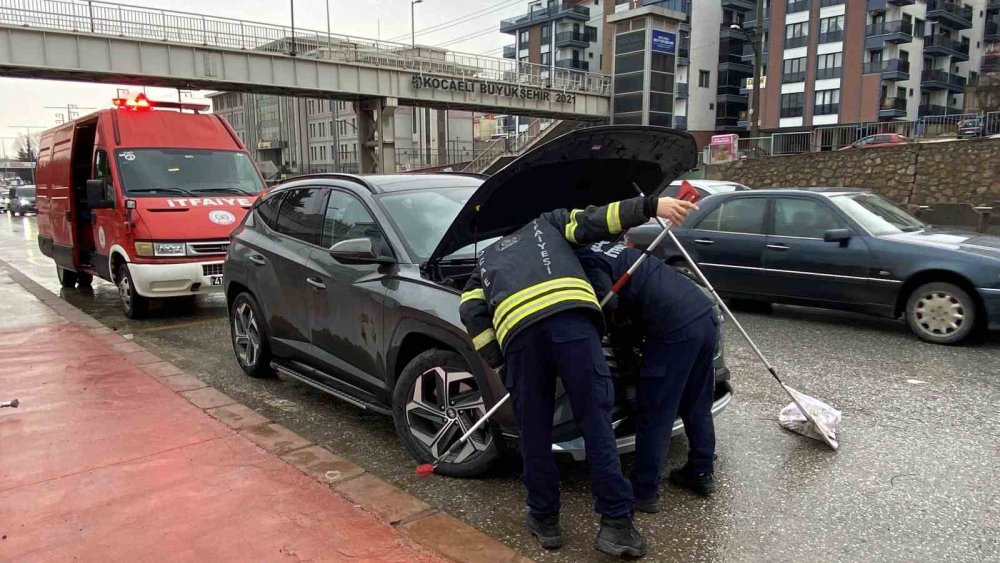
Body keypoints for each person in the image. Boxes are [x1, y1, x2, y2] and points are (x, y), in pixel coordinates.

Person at [459, 195, 696, 557]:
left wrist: (501, 362)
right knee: (596, 424)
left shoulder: (486, 259)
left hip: (521, 338)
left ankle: (545, 520)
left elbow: (471, 309)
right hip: (573, 323)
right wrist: (650, 206)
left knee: (534, 433)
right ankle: (616, 525)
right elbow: (596, 221)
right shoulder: (549, 223)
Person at [576, 240, 719, 512]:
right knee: (696, 401)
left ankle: (644, 491)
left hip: (674, 331)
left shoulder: (587, 260)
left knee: (656, 412)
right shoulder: (610, 248)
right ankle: (701, 472)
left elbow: (610, 301)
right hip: (704, 315)